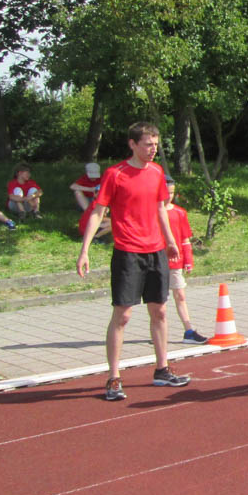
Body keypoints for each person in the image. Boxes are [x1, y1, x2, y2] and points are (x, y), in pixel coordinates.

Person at [76, 122, 190, 401]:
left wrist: (171, 241)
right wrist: (85, 250)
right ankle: (114, 378)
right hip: (128, 252)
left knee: (160, 311)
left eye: (155, 144)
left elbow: (161, 208)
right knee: (123, 314)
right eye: (147, 144)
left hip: (156, 251)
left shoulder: (157, 172)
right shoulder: (116, 174)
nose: (152, 150)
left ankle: (162, 369)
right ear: (133, 144)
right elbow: (97, 212)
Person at [164, 176, 206, 343]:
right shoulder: (151, 211)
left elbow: (185, 239)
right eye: (166, 192)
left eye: (172, 192)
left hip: (175, 262)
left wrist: (188, 260)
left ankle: (188, 330)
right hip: (157, 261)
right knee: (159, 301)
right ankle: (160, 331)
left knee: (180, 294)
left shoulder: (180, 213)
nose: (169, 196)